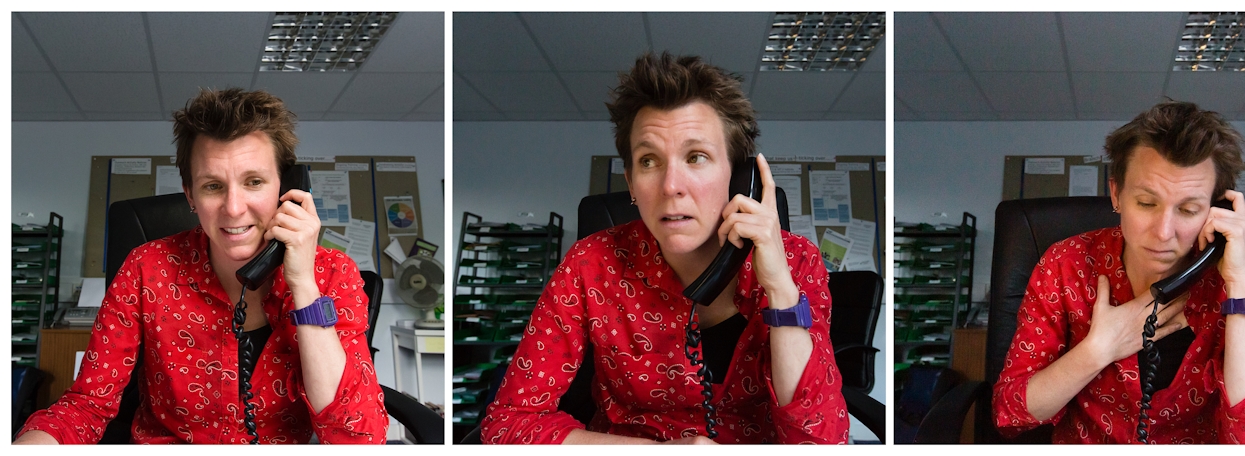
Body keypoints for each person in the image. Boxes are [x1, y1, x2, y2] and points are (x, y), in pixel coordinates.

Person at [480, 52, 849, 444]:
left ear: (740, 176)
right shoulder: (589, 264)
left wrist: (779, 289)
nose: (671, 185)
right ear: (631, 182)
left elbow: (822, 441)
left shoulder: (797, 261)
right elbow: (508, 423)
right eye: (649, 161)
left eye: (696, 157)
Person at [14, 88, 388, 444]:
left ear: (286, 187)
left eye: (254, 181)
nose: (234, 208)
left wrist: (303, 284)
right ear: (190, 194)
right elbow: (86, 404)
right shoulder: (147, 268)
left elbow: (358, 435)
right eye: (213, 186)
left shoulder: (332, 273)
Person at [992, 101, 1245, 443]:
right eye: (1146, 203)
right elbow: (1010, 414)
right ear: (1117, 194)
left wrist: (1239, 282)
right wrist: (1098, 350)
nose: (1164, 232)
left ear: (1217, 211)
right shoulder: (1066, 264)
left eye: (1188, 209)